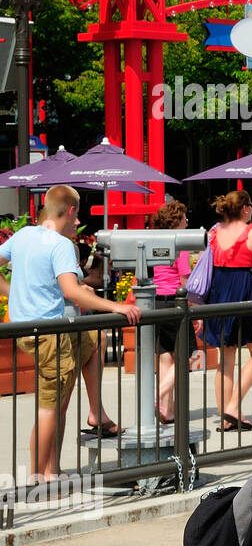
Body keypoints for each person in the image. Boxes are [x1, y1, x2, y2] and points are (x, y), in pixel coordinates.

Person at [0, 185, 140, 483]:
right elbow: (72, 291)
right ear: (71, 211)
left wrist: (13, 294)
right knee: (51, 406)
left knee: (94, 339)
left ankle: (89, 421)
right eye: (77, 216)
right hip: (50, 333)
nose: (78, 224)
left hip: (34, 329)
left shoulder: (24, 234)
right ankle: (40, 478)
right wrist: (115, 305)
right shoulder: (60, 244)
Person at [202, 190, 252, 432]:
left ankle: (226, 416)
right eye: (250, 204)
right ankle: (232, 406)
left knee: (226, 357)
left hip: (217, 292)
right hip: (241, 291)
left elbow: (203, 259)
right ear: (244, 209)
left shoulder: (213, 231)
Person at [149, 201, 193, 424]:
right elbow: (184, 281)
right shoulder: (180, 246)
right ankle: (158, 395)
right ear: (176, 222)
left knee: (166, 355)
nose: (187, 223)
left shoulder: (154, 242)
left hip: (156, 302)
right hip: (176, 302)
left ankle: (168, 409)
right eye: (185, 219)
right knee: (186, 355)